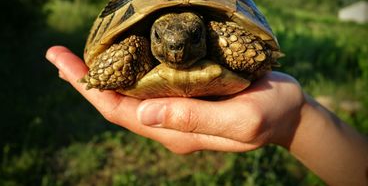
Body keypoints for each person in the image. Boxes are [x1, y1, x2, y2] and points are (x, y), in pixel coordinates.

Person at [46, 46, 368, 186]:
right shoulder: (137, 46)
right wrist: (298, 115)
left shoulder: (217, 37)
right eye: (163, 41)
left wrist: (295, 117)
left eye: (191, 39)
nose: (176, 49)